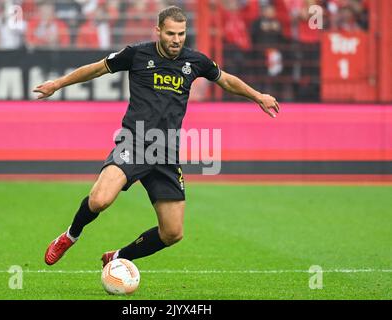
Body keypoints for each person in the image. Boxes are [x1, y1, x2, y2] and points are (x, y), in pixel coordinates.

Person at [33, 6, 280, 268]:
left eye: (181, 34)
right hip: (135, 142)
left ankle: (117, 258)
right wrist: (57, 84)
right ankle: (70, 236)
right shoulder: (137, 54)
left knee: (173, 233)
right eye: (171, 33)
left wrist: (258, 96)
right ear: (158, 31)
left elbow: (226, 80)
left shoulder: (194, 61)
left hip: (166, 153)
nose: (176, 40)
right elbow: (97, 69)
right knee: (99, 200)